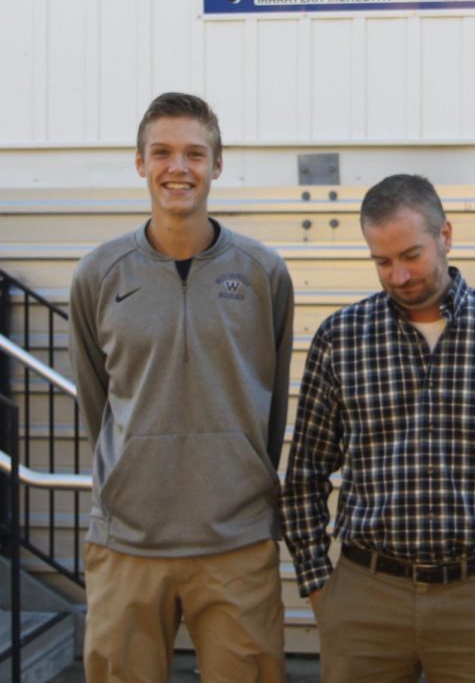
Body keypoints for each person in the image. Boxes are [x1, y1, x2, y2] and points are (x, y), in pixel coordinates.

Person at [280, 173, 475, 683]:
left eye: (411, 255)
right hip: (364, 596)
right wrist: (321, 586)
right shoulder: (341, 338)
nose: (398, 275)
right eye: (382, 261)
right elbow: (304, 475)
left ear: (446, 236)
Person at [68, 92, 294, 682]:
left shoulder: (263, 272)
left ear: (217, 165)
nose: (179, 168)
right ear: (140, 163)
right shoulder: (98, 273)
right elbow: (98, 402)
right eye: (162, 152)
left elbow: (269, 401)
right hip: (128, 545)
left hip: (237, 542)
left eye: (195, 153)